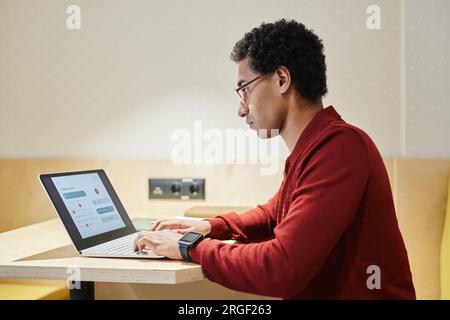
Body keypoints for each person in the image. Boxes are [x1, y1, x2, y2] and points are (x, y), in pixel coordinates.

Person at [134, 19, 416, 299]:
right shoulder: (315, 147)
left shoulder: (339, 148)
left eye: (245, 89)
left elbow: (282, 268)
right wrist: (208, 227)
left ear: (282, 79)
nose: (241, 110)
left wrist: (189, 247)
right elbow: (273, 214)